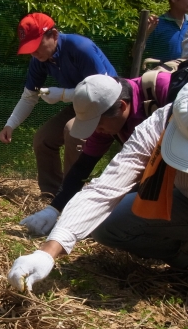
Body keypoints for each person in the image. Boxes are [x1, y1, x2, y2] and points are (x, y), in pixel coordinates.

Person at [8, 77, 188, 319]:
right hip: (184, 206)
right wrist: (47, 252)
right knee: (106, 223)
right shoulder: (161, 120)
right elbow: (106, 188)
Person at [20, 71, 172, 235]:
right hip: (157, 168)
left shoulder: (164, 89)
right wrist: (53, 210)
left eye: (98, 124)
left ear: (121, 106)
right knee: (114, 220)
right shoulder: (107, 119)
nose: (97, 130)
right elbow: (83, 166)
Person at [0, 13, 117, 195]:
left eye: (37, 45)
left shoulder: (80, 47)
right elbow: (30, 96)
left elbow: (101, 90)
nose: (33, 52)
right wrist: (10, 124)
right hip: (80, 103)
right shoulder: (39, 59)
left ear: (53, 35)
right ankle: (52, 194)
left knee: (72, 131)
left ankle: (72, 194)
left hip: (107, 104)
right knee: (43, 139)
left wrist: (62, 94)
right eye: (29, 48)